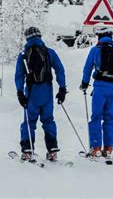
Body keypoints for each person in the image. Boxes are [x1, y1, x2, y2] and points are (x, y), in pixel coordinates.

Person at [15, 26, 67, 162]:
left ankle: (27, 150)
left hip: (31, 93)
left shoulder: (23, 55)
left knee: (29, 121)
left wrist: (20, 92)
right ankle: (52, 150)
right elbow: (60, 70)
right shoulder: (50, 52)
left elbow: (19, 75)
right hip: (47, 92)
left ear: (27, 38)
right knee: (48, 120)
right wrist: (62, 88)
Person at [80, 26, 113, 159]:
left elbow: (87, 68)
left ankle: (95, 148)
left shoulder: (95, 50)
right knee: (109, 118)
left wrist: (84, 84)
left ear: (99, 37)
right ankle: (108, 148)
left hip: (100, 88)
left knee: (96, 117)